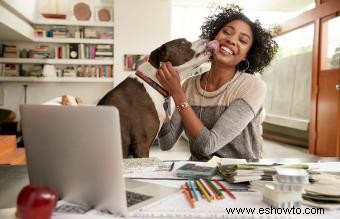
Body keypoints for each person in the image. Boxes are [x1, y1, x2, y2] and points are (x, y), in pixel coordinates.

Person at [156, 5, 278, 161]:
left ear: (247, 55)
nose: (231, 40)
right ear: (214, 37)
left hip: (239, 176)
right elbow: (166, 142)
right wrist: (162, 95)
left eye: (242, 40)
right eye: (226, 32)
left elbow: (207, 146)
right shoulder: (189, 85)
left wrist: (177, 93)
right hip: (198, 173)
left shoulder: (252, 86)